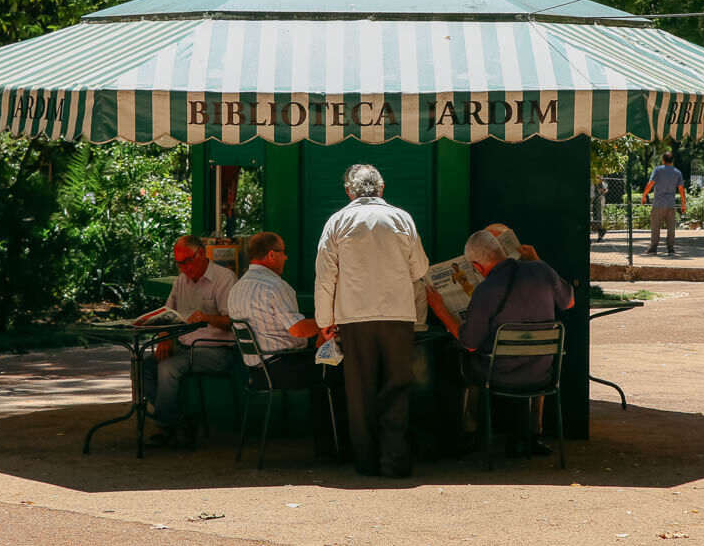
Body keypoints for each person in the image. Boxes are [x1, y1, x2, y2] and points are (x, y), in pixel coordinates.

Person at [314, 164, 430, 477]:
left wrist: (324, 321)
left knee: (360, 389)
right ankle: (394, 459)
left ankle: (365, 461)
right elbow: (419, 269)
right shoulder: (402, 218)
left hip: (354, 318)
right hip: (397, 315)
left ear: (350, 192)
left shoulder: (337, 221)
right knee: (396, 385)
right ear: (381, 189)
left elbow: (326, 277)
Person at [426, 229, 574, 457]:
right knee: (531, 357)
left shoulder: (486, 290)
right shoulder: (542, 270)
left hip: (499, 375)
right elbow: (570, 301)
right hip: (544, 373)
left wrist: (441, 311)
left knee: (465, 357)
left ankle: (472, 435)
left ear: (476, 267)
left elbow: (471, 343)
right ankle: (532, 435)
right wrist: (537, 260)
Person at [228, 231, 343, 451]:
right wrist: (328, 322)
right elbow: (298, 330)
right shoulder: (275, 286)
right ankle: (337, 445)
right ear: (271, 255)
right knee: (342, 370)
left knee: (324, 365)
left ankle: (327, 444)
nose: (286, 257)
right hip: (284, 366)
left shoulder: (237, 288)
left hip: (256, 370)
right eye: (283, 252)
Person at [143, 234, 236, 447]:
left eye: (188, 261)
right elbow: (167, 314)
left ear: (201, 254)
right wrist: (165, 336)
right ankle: (178, 420)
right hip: (184, 347)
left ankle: (165, 429)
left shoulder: (224, 278)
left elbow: (233, 321)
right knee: (144, 366)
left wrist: (208, 318)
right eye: (179, 263)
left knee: (168, 367)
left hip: (217, 351)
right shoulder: (181, 281)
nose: (185, 268)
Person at [641, 151, 686, 255]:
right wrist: (683, 204)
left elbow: (650, 184)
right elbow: (681, 190)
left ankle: (653, 248)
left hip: (658, 204)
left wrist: (644, 196)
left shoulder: (657, 170)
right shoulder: (677, 172)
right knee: (671, 227)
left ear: (663, 160)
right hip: (670, 204)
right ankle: (670, 248)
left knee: (655, 227)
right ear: (672, 161)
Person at [591, 176, 608, 241]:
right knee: (596, 217)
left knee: (598, 217)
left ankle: (600, 234)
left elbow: (605, 190)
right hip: (594, 198)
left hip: (598, 199)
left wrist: (601, 190)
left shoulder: (601, 181)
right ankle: (600, 232)